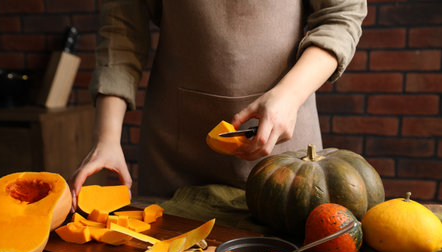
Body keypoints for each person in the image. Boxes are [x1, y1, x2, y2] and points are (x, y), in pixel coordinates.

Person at [70, 0, 367, 210]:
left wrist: (288, 96)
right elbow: (121, 31)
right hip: (175, 154)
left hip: (285, 149)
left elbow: (340, 15)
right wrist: (106, 139)